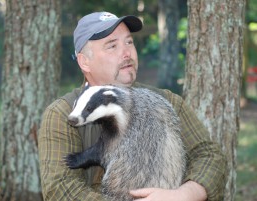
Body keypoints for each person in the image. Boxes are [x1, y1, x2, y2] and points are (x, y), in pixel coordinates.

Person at [38, 11, 227, 201]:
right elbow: (60, 189)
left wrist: (184, 195)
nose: (127, 53)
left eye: (129, 42)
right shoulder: (62, 113)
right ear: (85, 62)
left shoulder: (165, 101)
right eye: (112, 46)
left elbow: (209, 155)